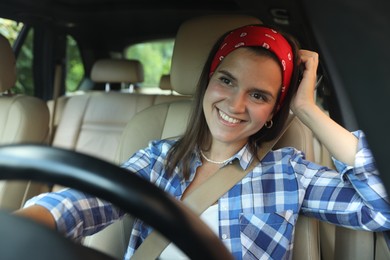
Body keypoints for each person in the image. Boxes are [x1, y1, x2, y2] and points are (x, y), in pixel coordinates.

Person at [15, 24, 390, 260]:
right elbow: (84, 202)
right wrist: (23, 225)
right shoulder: (158, 157)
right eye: (226, 81)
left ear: (276, 110)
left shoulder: (290, 172)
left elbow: (382, 206)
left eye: (259, 96)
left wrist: (307, 109)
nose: (235, 105)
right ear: (208, 82)